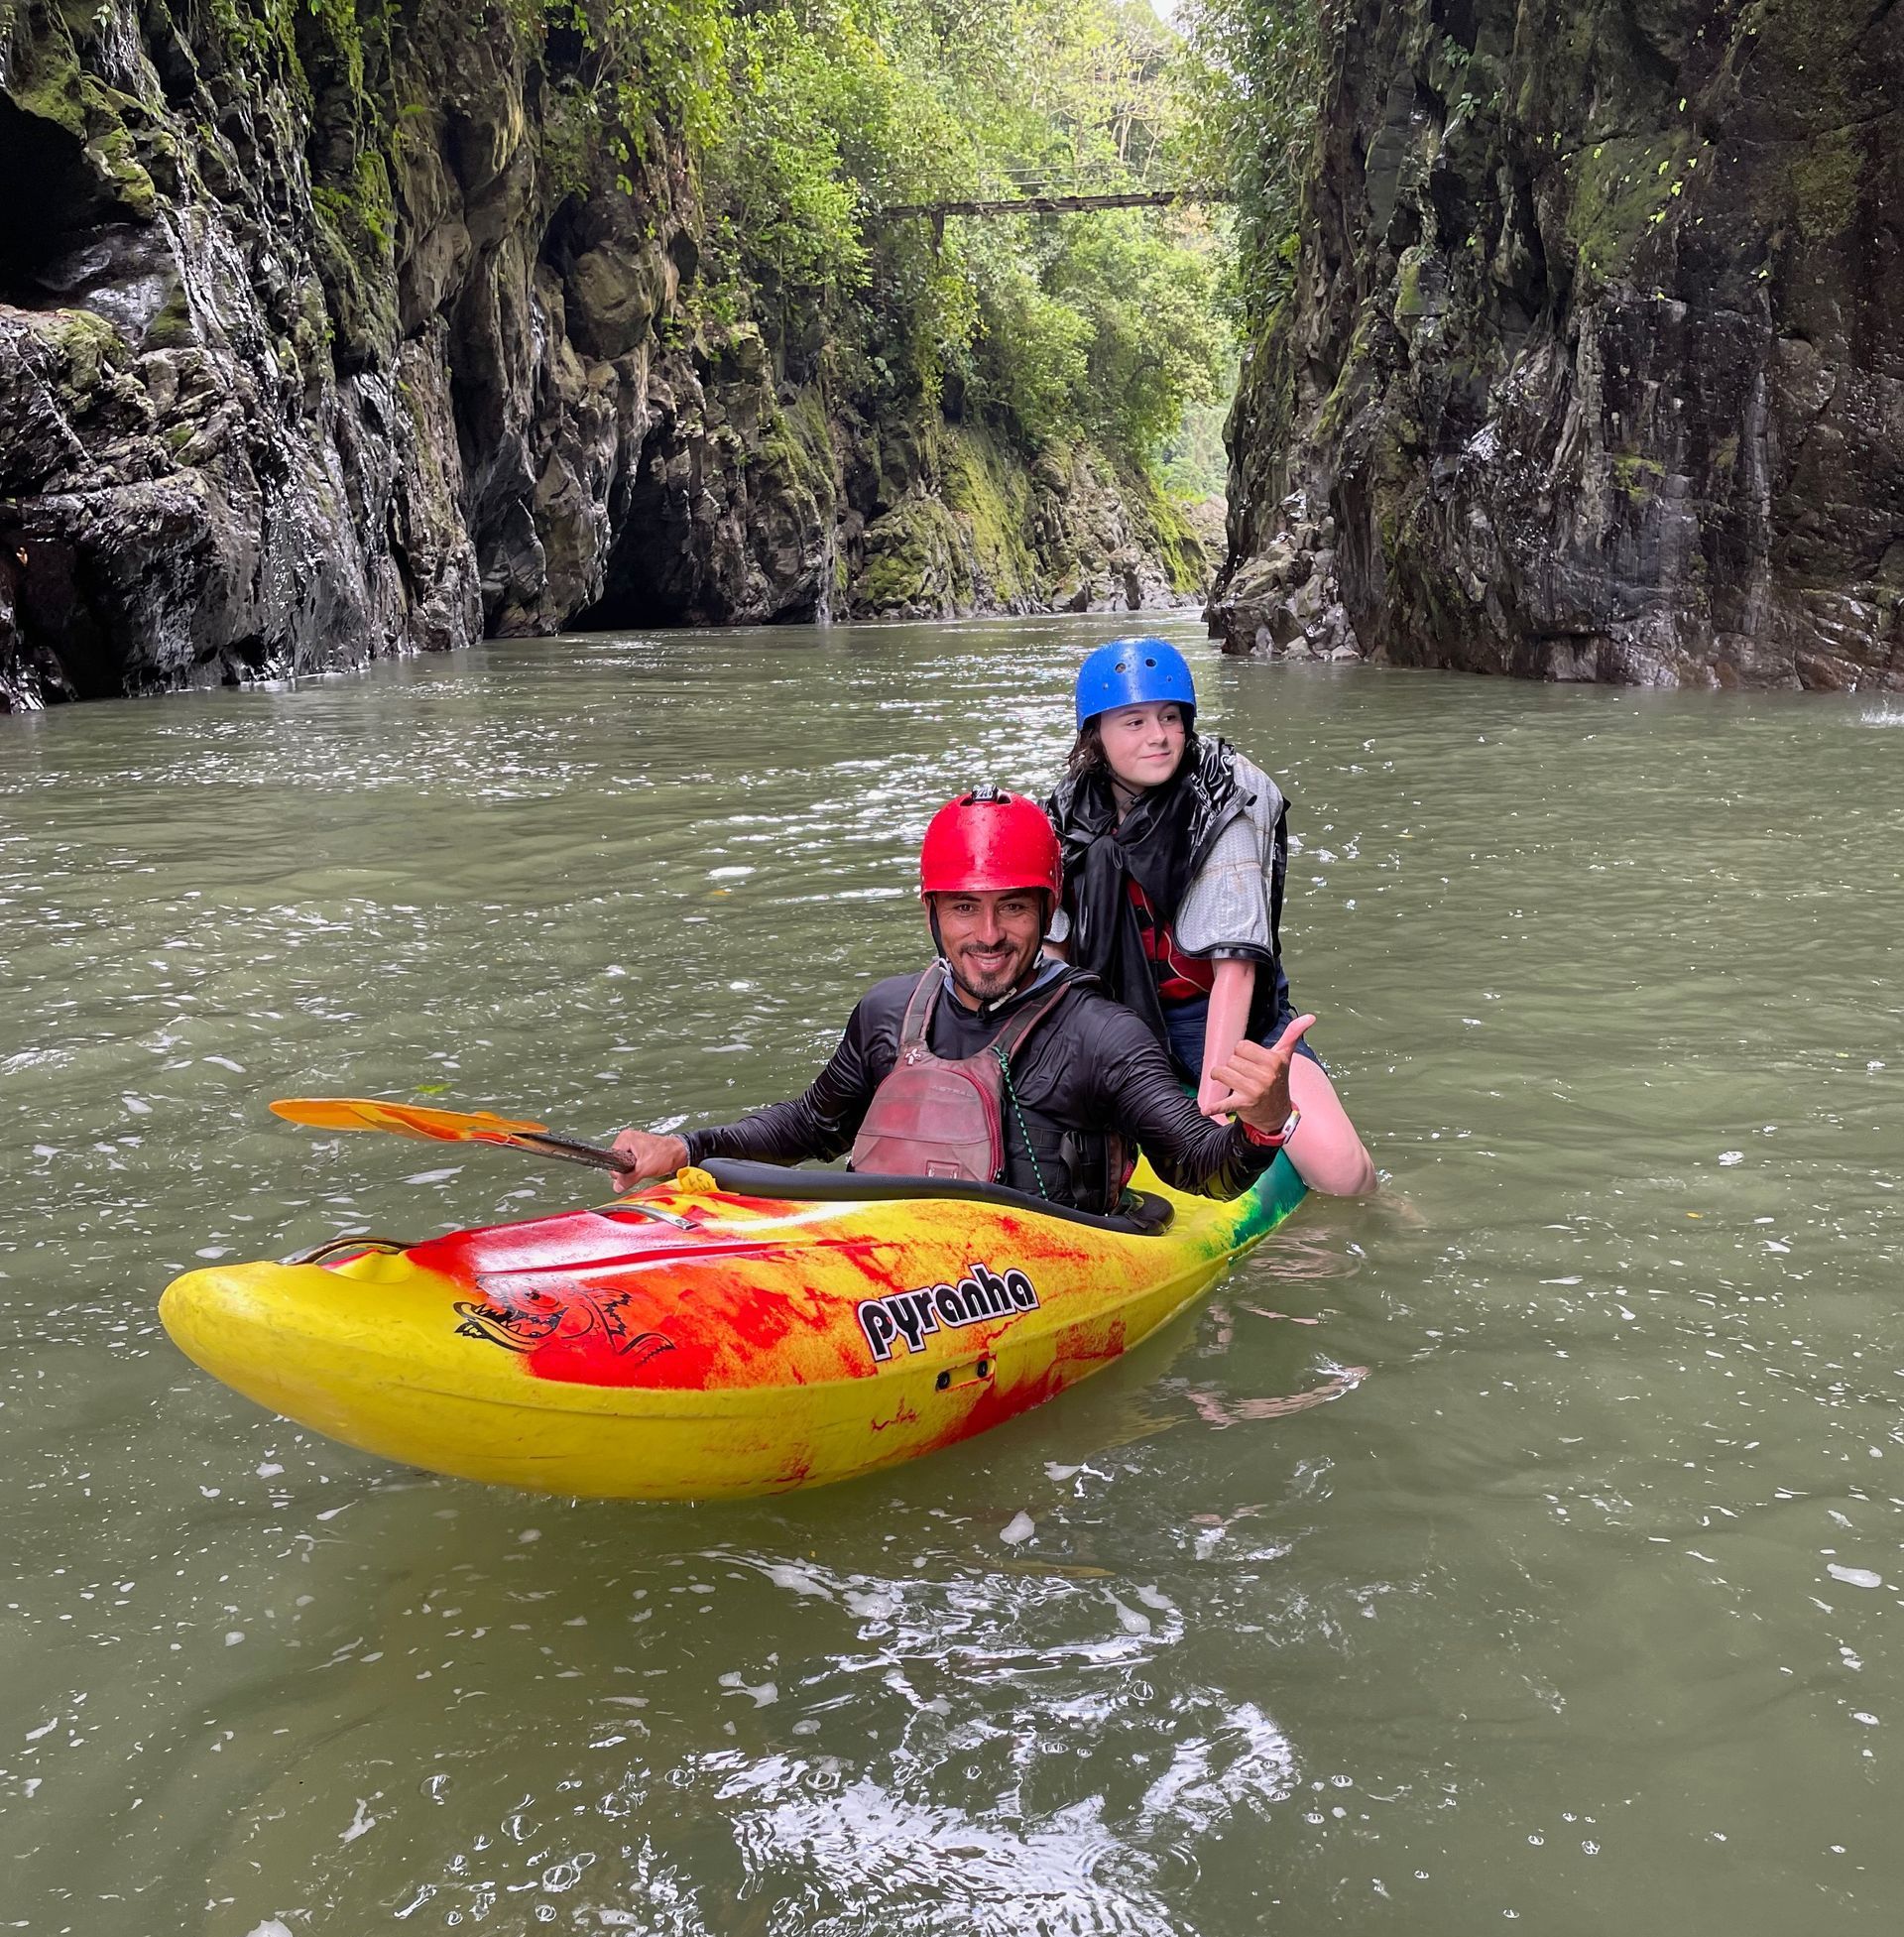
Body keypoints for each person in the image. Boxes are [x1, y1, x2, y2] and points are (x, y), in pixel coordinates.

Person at [610, 786, 1317, 1214]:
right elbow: (809, 1125)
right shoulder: (888, 1013)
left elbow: (1201, 1166)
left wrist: (1262, 1122)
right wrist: (687, 1146)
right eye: (963, 908)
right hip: (887, 1261)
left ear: (1047, 913)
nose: (987, 934)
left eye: (1012, 907)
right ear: (932, 915)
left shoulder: (1102, 1034)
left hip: (1039, 1272)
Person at [1045, 637, 1376, 1196]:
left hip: (1225, 1022)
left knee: (1345, 1178)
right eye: (1133, 722)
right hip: (1115, 1025)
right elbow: (1051, 957)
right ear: (1095, 735)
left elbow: (1236, 967)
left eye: (1170, 717)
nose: (1158, 736)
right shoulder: (1067, 810)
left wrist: (1215, 1103)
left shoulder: (1226, 796)